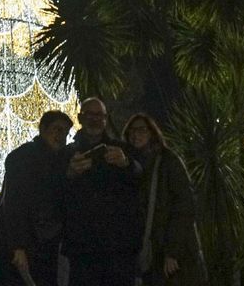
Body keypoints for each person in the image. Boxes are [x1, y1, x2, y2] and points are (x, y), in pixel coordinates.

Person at [60, 97, 144, 286]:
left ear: (106, 119)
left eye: (100, 115)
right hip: (82, 247)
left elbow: (140, 177)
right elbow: (54, 192)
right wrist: (70, 174)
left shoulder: (121, 149)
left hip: (118, 247)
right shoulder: (67, 154)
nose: (96, 120)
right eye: (91, 114)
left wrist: (126, 164)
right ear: (81, 118)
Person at [0, 110, 73, 286]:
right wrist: (18, 246)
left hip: (43, 245)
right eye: (56, 129)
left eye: (65, 132)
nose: (60, 136)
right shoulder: (24, 157)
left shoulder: (59, 160)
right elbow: (14, 204)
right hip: (22, 246)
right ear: (43, 129)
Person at [122, 113, 206, 286]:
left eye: (140, 130)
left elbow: (185, 206)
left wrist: (172, 251)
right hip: (147, 249)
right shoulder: (131, 165)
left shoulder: (168, 161)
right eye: (131, 131)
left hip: (167, 250)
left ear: (152, 132)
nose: (135, 134)